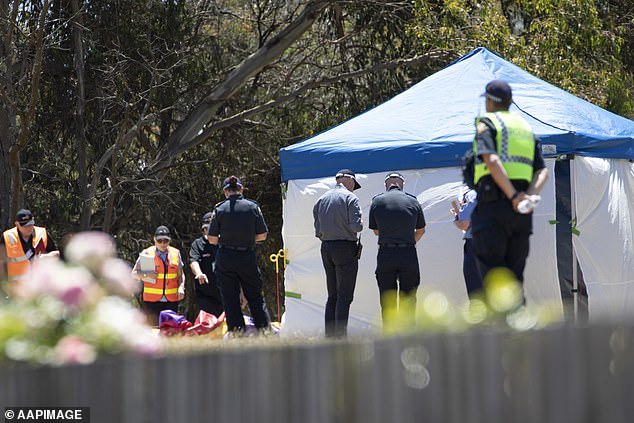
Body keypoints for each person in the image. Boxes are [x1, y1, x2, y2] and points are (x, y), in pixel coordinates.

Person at [470, 79, 549, 287]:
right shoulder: (525, 128)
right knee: (515, 281)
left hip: (494, 210)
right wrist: (527, 197)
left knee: (494, 282)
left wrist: (513, 195)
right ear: (510, 101)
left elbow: (492, 161)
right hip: (521, 214)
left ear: (488, 101)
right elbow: (542, 172)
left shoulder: (486, 124)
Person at [207, 176, 271, 335]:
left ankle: (237, 333)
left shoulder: (219, 209)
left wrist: (227, 239)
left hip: (226, 257)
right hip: (246, 256)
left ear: (225, 191)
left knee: (230, 298)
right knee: (255, 296)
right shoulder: (252, 207)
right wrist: (248, 238)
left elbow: (212, 239)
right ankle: (264, 331)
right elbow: (262, 235)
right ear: (241, 189)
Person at [369, 172, 426, 325]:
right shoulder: (413, 201)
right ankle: (408, 336)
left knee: (388, 299)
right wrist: (408, 240)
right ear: (402, 184)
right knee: (408, 298)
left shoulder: (377, 201)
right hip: (408, 253)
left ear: (386, 185)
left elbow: (375, 231)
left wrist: (390, 234)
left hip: (386, 253)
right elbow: (421, 230)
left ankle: (389, 335)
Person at [313, 169, 363, 337]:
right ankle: (340, 338)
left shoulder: (321, 199)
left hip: (326, 248)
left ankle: (330, 337)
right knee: (344, 296)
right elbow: (357, 227)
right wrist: (360, 223)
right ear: (349, 181)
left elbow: (318, 231)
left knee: (332, 295)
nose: (353, 188)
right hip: (345, 248)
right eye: (353, 185)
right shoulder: (350, 198)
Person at [132, 225, 186, 325]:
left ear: (169, 241)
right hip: (152, 301)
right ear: (154, 240)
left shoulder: (175, 253)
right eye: (159, 241)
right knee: (152, 331)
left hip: (171, 301)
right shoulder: (147, 253)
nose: (162, 243)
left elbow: (181, 275)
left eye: (165, 241)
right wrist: (146, 275)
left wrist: (181, 288)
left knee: (170, 331)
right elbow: (134, 274)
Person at [0, 209, 59, 284]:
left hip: (40, 288)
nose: (28, 228)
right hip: (16, 290)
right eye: (24, 225)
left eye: (30, 224)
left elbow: (56, 254)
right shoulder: (7, 237)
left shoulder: (42, 234)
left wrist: (46, 257)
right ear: (17, 224)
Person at [189, 212, 224, 317]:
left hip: (225, 292)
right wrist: (199, 273)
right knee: (209, 325)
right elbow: (193, 261)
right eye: (208, 228)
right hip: (206, 294)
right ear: (204, 229)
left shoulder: (225, 243)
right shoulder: (198, 244)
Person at [451, 188, 483, 297]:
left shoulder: (471, 194)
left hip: (476, 242)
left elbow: (464, 223)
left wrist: (456, 218)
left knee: (475, 288)